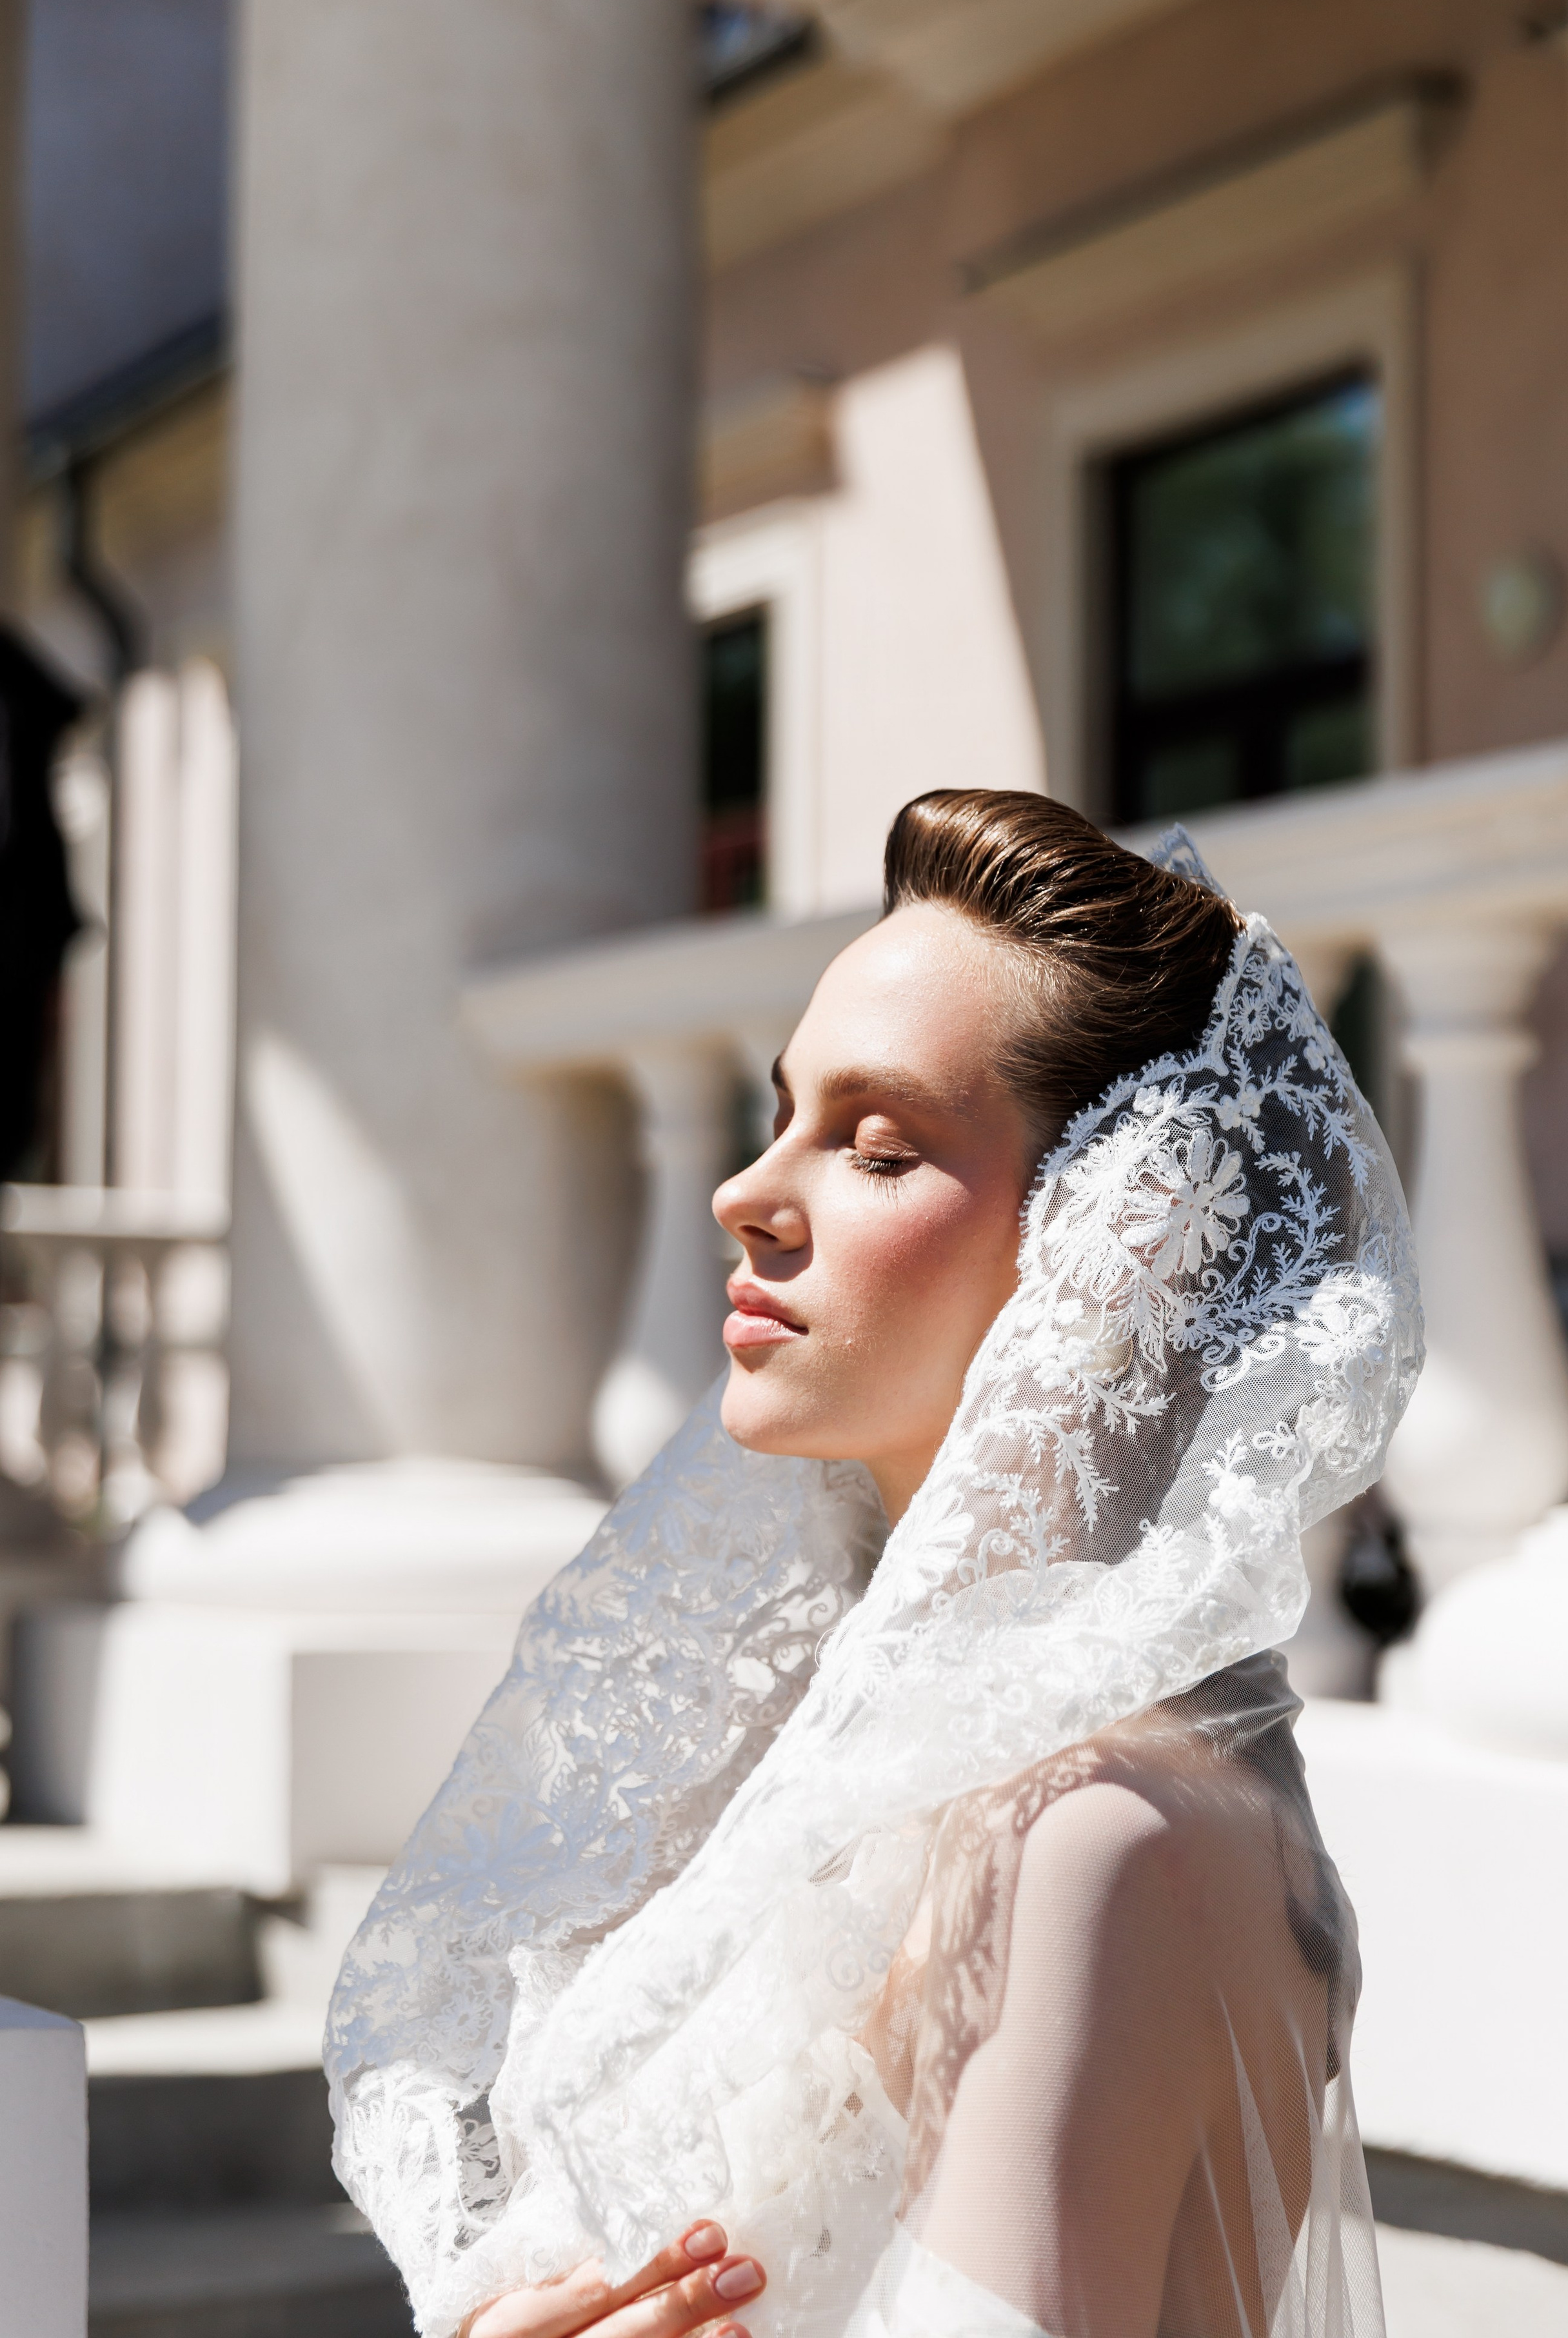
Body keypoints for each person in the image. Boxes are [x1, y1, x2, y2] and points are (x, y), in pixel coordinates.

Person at [326, 791, 1422, 2338]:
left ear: (1109, 1247)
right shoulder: (921, 1781)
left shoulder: (1083, 1831)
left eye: (878, 1145)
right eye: (781, 1115)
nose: (745, 1195)